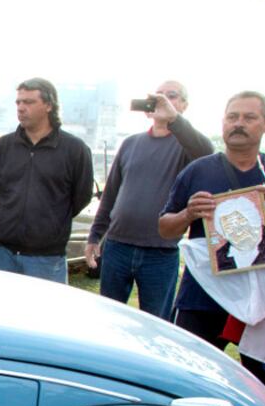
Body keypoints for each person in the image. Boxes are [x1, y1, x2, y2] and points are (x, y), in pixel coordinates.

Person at [160, 91, 265, 394]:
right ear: (223, 123)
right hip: (204, 297)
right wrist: (188, 213)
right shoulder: (198, 170)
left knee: (263, 390)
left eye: (249, 117)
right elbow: (164, 228)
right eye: (233, 117)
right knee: (187, 382)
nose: (238, 124)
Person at [88, 81, 211, 318]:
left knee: (156, 324)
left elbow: (206, 154)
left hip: (160, 252)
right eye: (158, 96)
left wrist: (174, 120)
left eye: (171, 96)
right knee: (108, 320)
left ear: (183, 105)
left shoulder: (187, 146)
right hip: (117, 246)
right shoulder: (131, 143)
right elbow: (111, 193)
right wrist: (95, 235)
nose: (162, 101)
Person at [0, 78, 93, 283]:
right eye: (18, 102)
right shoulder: (4, 145)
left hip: (46, 257)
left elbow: (81, 197)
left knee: (43, 315)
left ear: (49, 105)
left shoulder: (74, 149)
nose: (21, 108)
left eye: (29, 102)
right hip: (2, 253)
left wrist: (50, 221)